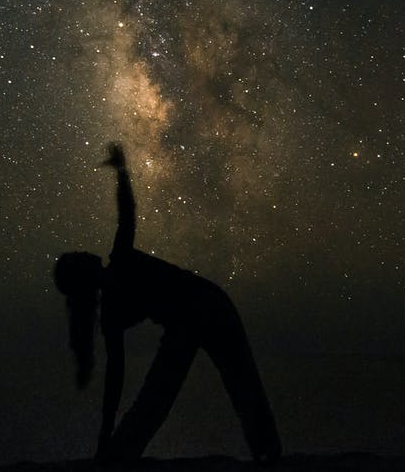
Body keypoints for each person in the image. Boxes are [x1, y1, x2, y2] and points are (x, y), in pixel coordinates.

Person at [53, 143, 281, 463]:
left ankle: (118, 455)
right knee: (231, 387)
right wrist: (121, 171)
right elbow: (128, 214)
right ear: (82, 277)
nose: (82, 252)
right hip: (199, 309)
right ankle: (268, 453)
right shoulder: (118, 268)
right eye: (77, 258)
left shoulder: (111, 309)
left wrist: (104, 436)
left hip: (202, 308)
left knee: (171, 396)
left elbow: (114, 380)